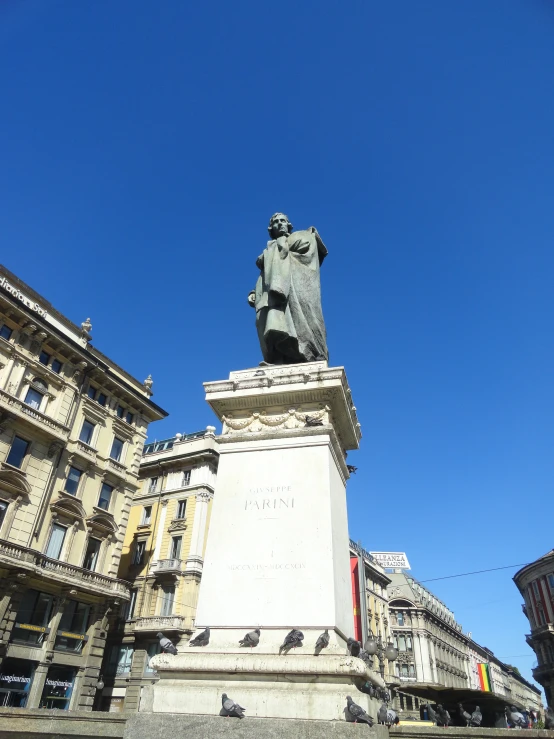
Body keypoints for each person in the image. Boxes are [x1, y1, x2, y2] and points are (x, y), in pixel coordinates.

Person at [248, 213, 329, 365]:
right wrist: (254, 292)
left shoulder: (299, 237)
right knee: (269, 324)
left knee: (304, 318)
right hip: (270, 294)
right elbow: (266, 277)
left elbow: (307, 249)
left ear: (289, 225)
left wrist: (281, 247)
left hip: (297, 288)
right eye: (276, 222)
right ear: (271, 228)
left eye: (283, 221)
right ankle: (278, 358)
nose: (280, 223)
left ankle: (309, 355)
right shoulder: (270, 250)